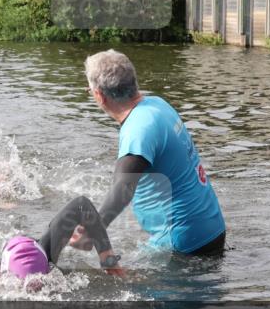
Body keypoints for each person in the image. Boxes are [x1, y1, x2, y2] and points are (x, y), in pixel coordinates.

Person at [82, 50, 226, 256]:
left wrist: (93, 229)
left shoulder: (137, 130)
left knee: (120, 285)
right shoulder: (157, 105)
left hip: (183, 243)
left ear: (99, 95)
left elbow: (122, 188)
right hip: (211, 228)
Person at [0, 196, 123, 281]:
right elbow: (81, 204)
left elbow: (81, 205)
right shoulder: (46, 249)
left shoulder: (45, 251)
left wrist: (108, 260)